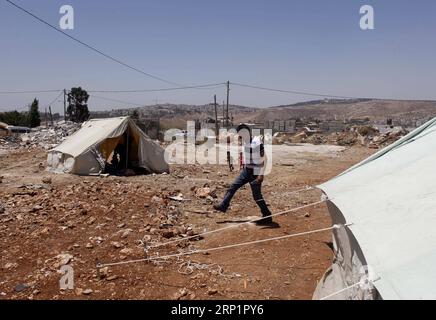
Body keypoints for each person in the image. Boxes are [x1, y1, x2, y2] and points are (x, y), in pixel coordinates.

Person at [213, 124, 273, 225]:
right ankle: (224, 205)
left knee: (257, 196)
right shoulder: (245, 142)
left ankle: (267, 216)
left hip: (256, 172)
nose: (241, 137)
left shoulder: (256, 142)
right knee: (233, 187)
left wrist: (261, 175)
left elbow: (264, 159)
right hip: (247, 171)